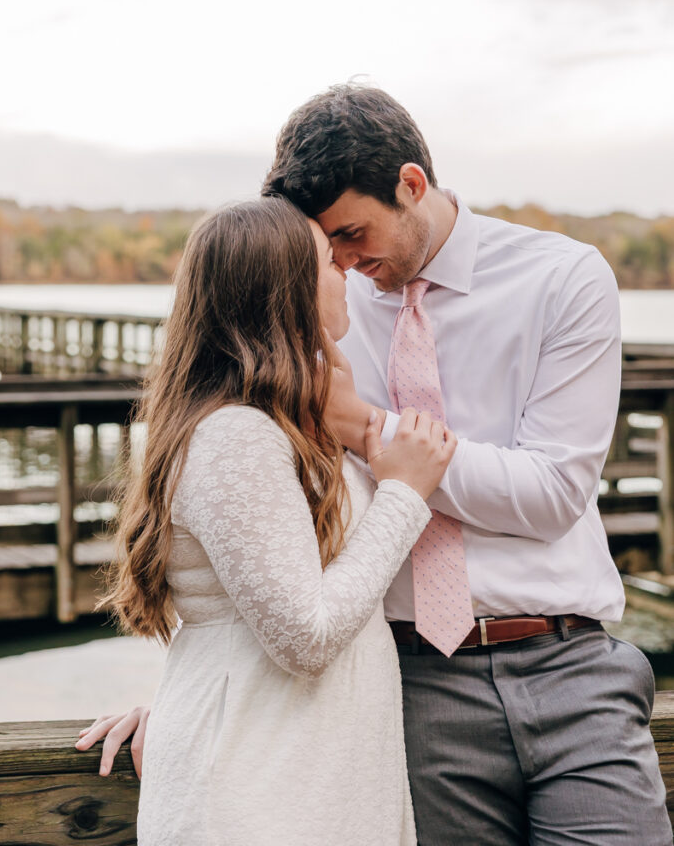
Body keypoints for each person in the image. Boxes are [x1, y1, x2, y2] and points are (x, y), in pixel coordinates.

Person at [82, 85, 672, 844]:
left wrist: (369, 430)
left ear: (411, 185)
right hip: (409, 682)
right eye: (326, 250)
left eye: (354, 235)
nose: (349, 264)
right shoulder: (316, 326)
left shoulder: (561, 278)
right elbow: (262, 534)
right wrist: (203, 699)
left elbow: (553, 493)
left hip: (568, 660)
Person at [86, 195, 457, 846]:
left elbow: (266, 599)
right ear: (283, 290)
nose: (345, 268)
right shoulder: (235, 437)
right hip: (259, 795)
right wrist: (402, 493)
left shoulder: (275, 427)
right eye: (326, 261)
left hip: (303, 776)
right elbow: (303, 636)